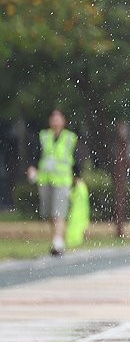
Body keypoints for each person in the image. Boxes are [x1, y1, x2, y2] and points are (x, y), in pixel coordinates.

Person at [26, 108, 82, 256]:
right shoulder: (43, 137)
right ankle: (57, 239)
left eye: (58, 118)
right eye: (53, 118)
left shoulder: (70, 138)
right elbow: (36, 155)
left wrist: (79, 177)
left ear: (64, 120)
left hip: (63, 181)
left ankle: (57, 243)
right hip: (45, 180)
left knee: (59, 213)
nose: (56, 121)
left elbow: (76, 160)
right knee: (50, 214)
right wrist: (32, 169)